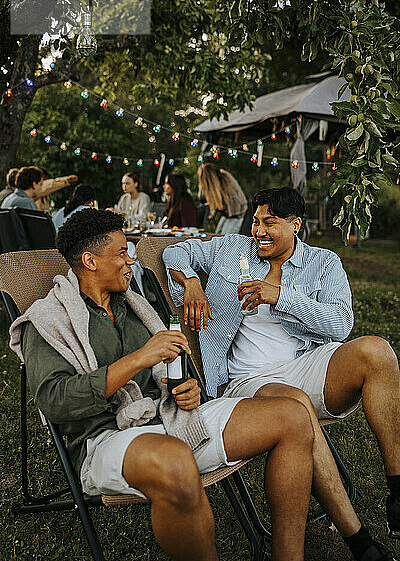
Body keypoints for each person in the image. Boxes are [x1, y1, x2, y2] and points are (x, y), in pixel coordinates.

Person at [9, 208, 316, 561]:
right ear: (90, 261)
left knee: (293, 417)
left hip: (170, 417)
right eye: (122, 253)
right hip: (104, 437)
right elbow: (54, 401)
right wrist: (139, 358)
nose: (131, 261)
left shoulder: (134, 305)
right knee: (176, 462)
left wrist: (185, 387)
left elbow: (168, 371)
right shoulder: (46, 322)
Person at [162, 187, 400, 561]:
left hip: (306, 362)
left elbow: (340, 325)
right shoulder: (232, 249)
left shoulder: (323, 263)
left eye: (269, 222)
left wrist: (280, 296)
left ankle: (398, 488)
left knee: (377, 351)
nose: (258, 230)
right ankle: (360, 542)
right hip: (248, 379)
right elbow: (174, 250)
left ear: (295, 225)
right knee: (297, 404)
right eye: (256, 221)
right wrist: (191, 282)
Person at [197, 163, 247, 235]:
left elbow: (234, 207)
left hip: (236, 215)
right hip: (228, 214)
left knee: (224, 239)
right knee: (217, 235)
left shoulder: (226, 182)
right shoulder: (219, 183)